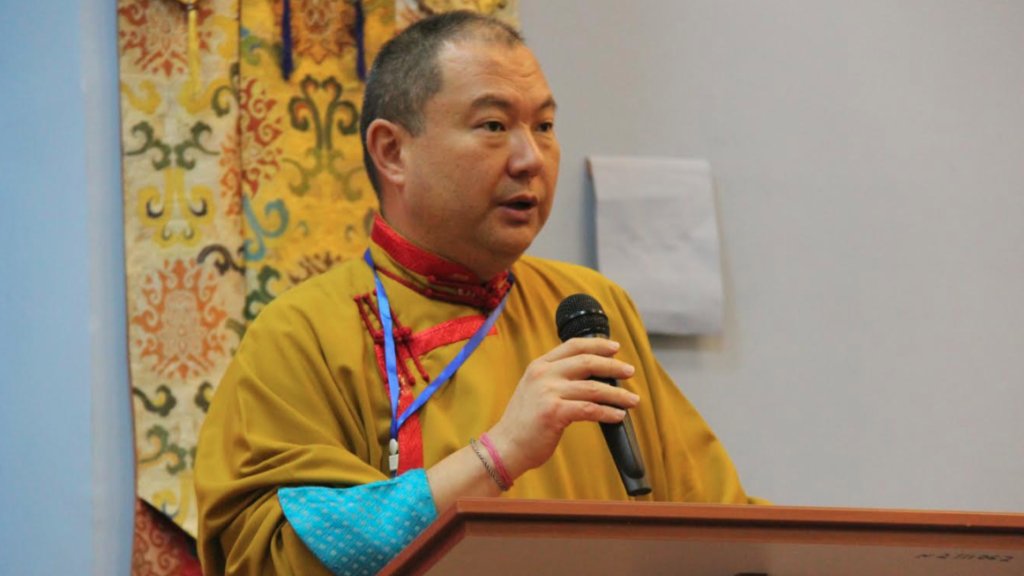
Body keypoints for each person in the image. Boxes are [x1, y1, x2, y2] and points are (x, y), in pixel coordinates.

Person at [196, 10, 762, 576]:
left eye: (544, 126)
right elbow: (273, 559)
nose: (530, 158)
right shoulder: (301, 334)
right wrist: (499, 454)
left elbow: (718, 526)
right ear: (392, 151)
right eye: (494, 125)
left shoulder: (592, 305)